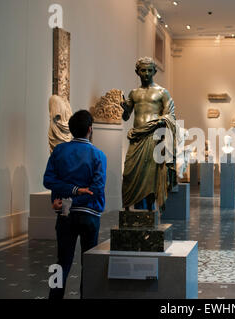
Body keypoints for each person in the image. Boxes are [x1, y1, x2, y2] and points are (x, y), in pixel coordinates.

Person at [43, 110, 107, 299]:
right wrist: (77, 193)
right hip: (90, 215)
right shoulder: (98, 155)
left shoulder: (59, 151)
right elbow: (96, 189)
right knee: (89, 263)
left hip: (65, 214)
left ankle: (54, 297)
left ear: (71, 130)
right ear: (90, 129)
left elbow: (48, 180)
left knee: (61, 263)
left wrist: (67, 199)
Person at [120, 57, 177, 211]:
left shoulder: (162, 92)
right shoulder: (134, 93)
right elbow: (126, 116)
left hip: (153, 138)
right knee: (129, 173)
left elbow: (170, 114)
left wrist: (159, 122)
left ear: (154, 71)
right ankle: (130, 208)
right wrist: (124, 108)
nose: (146, 74)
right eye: (143, 70)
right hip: (137, 138)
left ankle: (149, 210)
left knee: (150, 175)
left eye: (149, 70)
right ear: (137, 72)